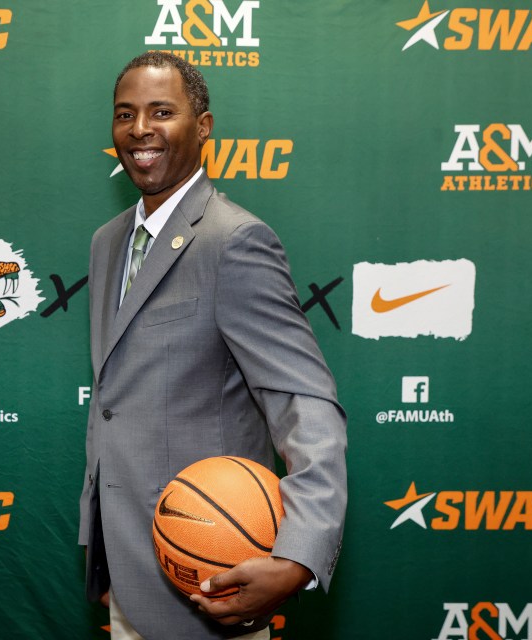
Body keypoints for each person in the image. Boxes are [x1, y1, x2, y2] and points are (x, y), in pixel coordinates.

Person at [79, 51, 347, 640]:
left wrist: (297, 556)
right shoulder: (108, 242)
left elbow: (306, 403)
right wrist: (103, 549)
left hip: (209, 578)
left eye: (161, 112)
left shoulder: (235, 242)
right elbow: (115, 403)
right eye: (125, 114)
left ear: (203, 126)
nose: (140, 130)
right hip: (126, 571)